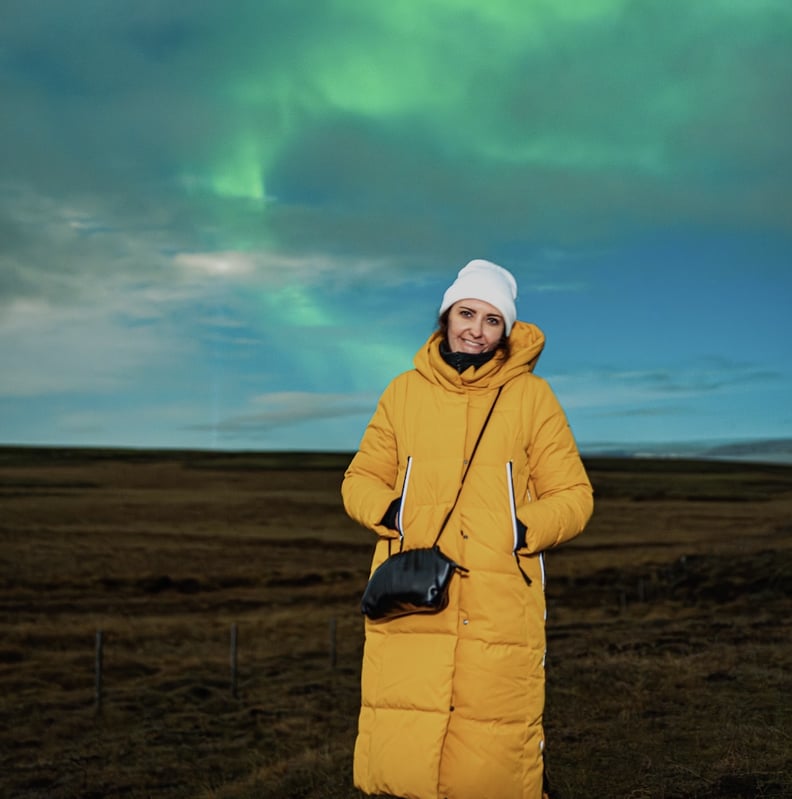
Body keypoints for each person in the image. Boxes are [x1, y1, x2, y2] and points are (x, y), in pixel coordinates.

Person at [342, 259, 593, 799]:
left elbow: (573, 495)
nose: (476, 330)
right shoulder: (402, 393)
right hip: (413, 590)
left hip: (498, 596)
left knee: (491, 751)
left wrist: (519, 531)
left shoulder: (532, 398)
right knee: (406, 733)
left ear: (506, 331)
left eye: (491, 320)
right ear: (446, 316)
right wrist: (394, 515)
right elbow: (360, 478)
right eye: (466, 313)